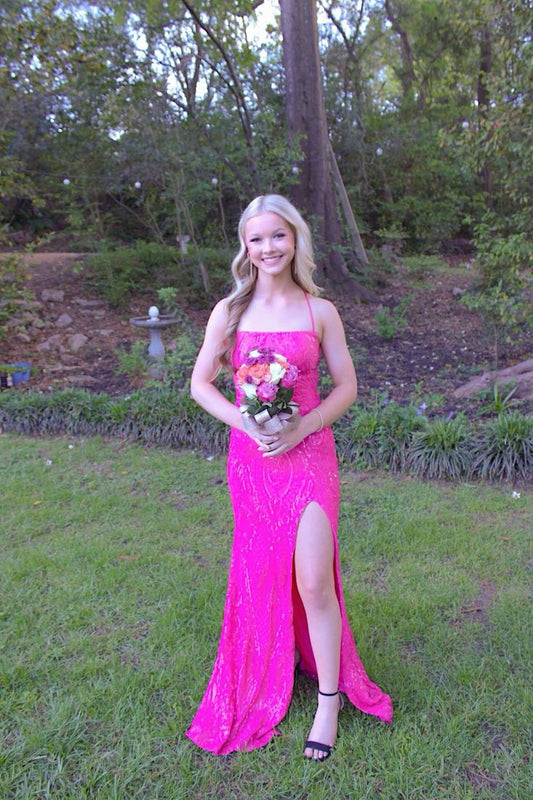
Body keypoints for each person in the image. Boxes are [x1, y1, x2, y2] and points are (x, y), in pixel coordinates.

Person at [186, 194, 392, 760]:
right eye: (256, 239)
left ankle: (329, 701)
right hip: (253, 460)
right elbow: (201, 383)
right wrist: (244, 422)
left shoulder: (319, 311)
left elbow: (346, 387)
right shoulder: (230, 312)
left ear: (295, 238)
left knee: (315, 581)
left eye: (277, 235)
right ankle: (270, 661)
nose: (268, 247)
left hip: (310, 456)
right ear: (245, 247)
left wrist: (304, 427)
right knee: (260, 572)